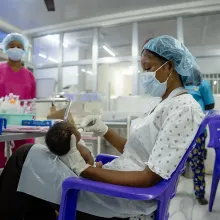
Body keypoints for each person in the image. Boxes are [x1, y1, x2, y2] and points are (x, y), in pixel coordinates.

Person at [2, 35, 204, 220]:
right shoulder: (163, 103)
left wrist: (86, 170)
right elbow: (137, 151)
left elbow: (150, 177)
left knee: (25, 158)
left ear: (169, 67)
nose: (144, 76)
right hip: (116, 183)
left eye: (149, 69)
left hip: (125, 200)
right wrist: (104, 130)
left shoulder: (184, 109)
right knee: (33, 165)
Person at [0, 33, 36, 168]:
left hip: (23, 125)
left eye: (19, 46)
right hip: (1, 125)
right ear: (5, 48)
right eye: (12, 45)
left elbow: (32, 103)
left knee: (23, 164)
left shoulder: (29, 76)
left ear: (24, 50)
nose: (15, 48)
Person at [185, 79, 215, 205]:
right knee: (173, 163)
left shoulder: (202, 84)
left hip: (197, 131)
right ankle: (169, 191)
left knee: (197, 163)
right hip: (178, 130)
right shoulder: (179, 82)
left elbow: (210, 105)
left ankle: (200, 194)